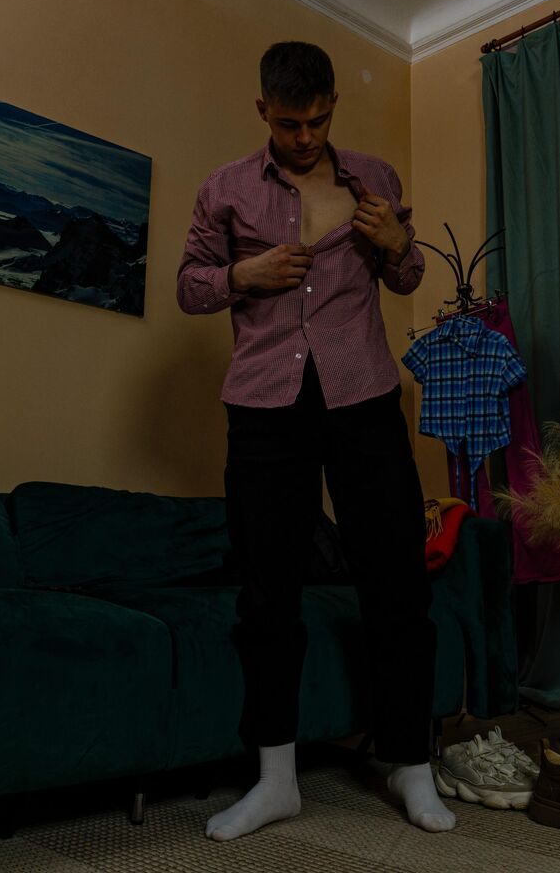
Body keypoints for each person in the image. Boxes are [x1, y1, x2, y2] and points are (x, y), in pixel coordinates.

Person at [177, 41, 454, 840]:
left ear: (332, 106)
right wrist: (242, 276)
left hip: (362, 394)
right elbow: (189, 287)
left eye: (318, 121)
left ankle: (410, 764)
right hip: (264, 404)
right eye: (289, 124)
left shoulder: (375, 178)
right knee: (267, 589)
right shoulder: (223, 190)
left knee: (397, 581)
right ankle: (275, 781)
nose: (304, 138)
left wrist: (398, 245)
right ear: (262, 110)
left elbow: (406, 278)